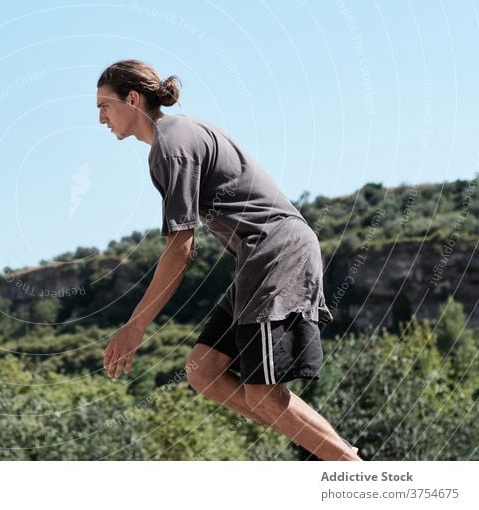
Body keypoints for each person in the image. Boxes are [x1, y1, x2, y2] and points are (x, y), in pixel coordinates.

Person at [98, 59, 361, 461]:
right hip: (257, 259)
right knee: (204, 371)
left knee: (261, 390)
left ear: (132, 99)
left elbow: (181, 250)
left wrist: (135, 328)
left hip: (276, 252)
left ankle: (352, 470)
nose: (101, 118)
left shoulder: (171, 146)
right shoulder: (176, 137)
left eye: (104, 106)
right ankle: (335, 455)